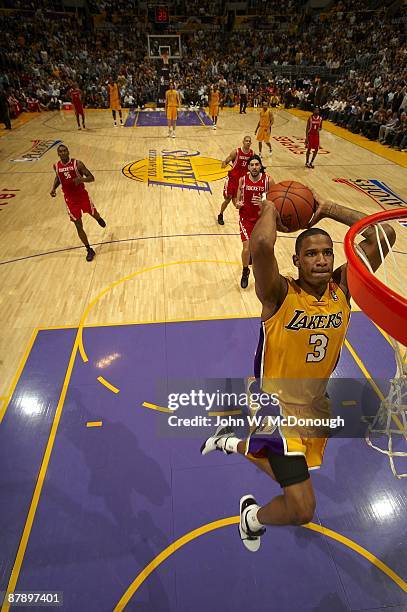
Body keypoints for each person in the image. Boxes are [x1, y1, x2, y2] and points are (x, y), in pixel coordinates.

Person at [201, 192, 396, 551]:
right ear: (296, 260)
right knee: (303, 508)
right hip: (272, 406)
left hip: (314, 405)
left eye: (327, 252)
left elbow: (384, 236)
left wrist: (329, 208)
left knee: (290, 483)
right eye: (311, 253)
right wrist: (272, 207)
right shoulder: (278, 293)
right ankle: (251, 518)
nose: (321, 259)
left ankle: (232, 442)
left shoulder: (343, 289)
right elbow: (260, 243)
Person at [50, 144, 106, 262]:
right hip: (70, 199)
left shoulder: (78, 164)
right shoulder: (56, 166)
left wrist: (82, 179)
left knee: (93, 213)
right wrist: (53, 188)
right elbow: (58, 178)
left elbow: (92, 177)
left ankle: (98, 218)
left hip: (82, 195)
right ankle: (89, 249)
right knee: (78, 225)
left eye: (65, 150)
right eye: (61, 151)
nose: (63, 153)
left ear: (68, 151)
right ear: (58, 154)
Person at [236, 155, 274, 288]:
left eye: (256, 164)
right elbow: (237, 201)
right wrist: (238, 204)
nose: (254, 167)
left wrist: (263, 203)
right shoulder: (243, 180)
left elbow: (274, 200)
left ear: (260, 166)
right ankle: (245, 271)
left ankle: (266, 274)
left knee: (264, 249)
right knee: (246, 249)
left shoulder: (268, 180)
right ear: (248, 167)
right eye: (251, 165)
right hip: (246, 218)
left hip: (262, 219)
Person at [217, 135, 254, 226]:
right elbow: (227, 160)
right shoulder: (236, 152)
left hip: (241, 183)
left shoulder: (252, 154)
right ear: (243, 142)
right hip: (232, 180)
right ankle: (220, 214)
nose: (248, 142)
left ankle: (246, 219)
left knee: (237, 203)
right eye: (246, 141)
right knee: (228, 198)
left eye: (249, 141)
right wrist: (224, 163)